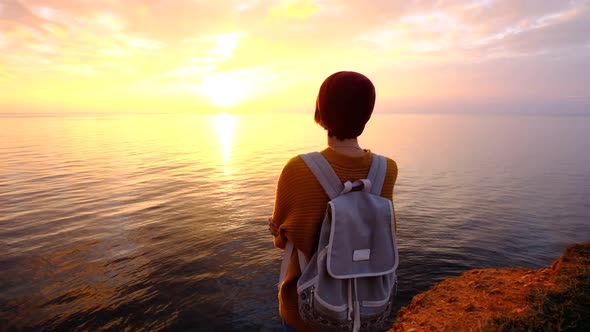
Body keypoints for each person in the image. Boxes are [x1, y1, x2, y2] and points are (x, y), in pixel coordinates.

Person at [268, 71, 398, 332]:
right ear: (367, 114)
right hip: (364, 308)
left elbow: (283, 241)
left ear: (320, 110)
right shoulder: (386, 169)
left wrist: (279, 230)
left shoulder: (297, 169)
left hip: (307, 312)